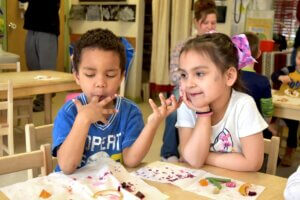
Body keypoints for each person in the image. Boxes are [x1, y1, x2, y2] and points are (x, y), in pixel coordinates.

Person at [52, 28, 179, 174]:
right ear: (77, 76)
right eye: (90, 74)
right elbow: (67, 167)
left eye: (110, 75)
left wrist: (153, 123)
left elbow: (131, 160)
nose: (100, 82)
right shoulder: (69, 112)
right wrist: (83, 119)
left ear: (121, 77)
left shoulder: (130, 111)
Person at [176, 33, 267, 171]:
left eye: (199, 74)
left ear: (229, 76)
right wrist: (203, 113)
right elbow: (192, 160)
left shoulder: (243, 105)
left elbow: (253, 163)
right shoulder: (187, 106)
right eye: (184, 75)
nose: (188, 84)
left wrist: (203, 157)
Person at [160, 0, 217, 162]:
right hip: (185, 86)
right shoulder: (184, 46)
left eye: (213, 22)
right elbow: (174, 75)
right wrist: (192, 84)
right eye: (205, 23)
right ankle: (169, 153)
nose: (210, 26)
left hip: (211, 87)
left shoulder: (218, 46)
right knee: (174, 112)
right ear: (196, 23)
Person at [18, 0, 60, 112]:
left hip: (48, 28)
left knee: (47, 68)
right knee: (31, 64)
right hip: (31, 27)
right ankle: (43, 95)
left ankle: (43, 99)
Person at [240, 32, 275, 138]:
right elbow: (267, 114)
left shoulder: (228, 77)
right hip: (254, 133)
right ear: (259, 54)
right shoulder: (263, 81)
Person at [271, 47, 300, 167]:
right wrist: (281, 77)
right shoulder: (289, 70)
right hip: (283, 103)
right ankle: (272, 149)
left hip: (296, 109)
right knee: (270, 116)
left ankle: (289, 151)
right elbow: (274, 75)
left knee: (293, 124)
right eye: (299, 58)